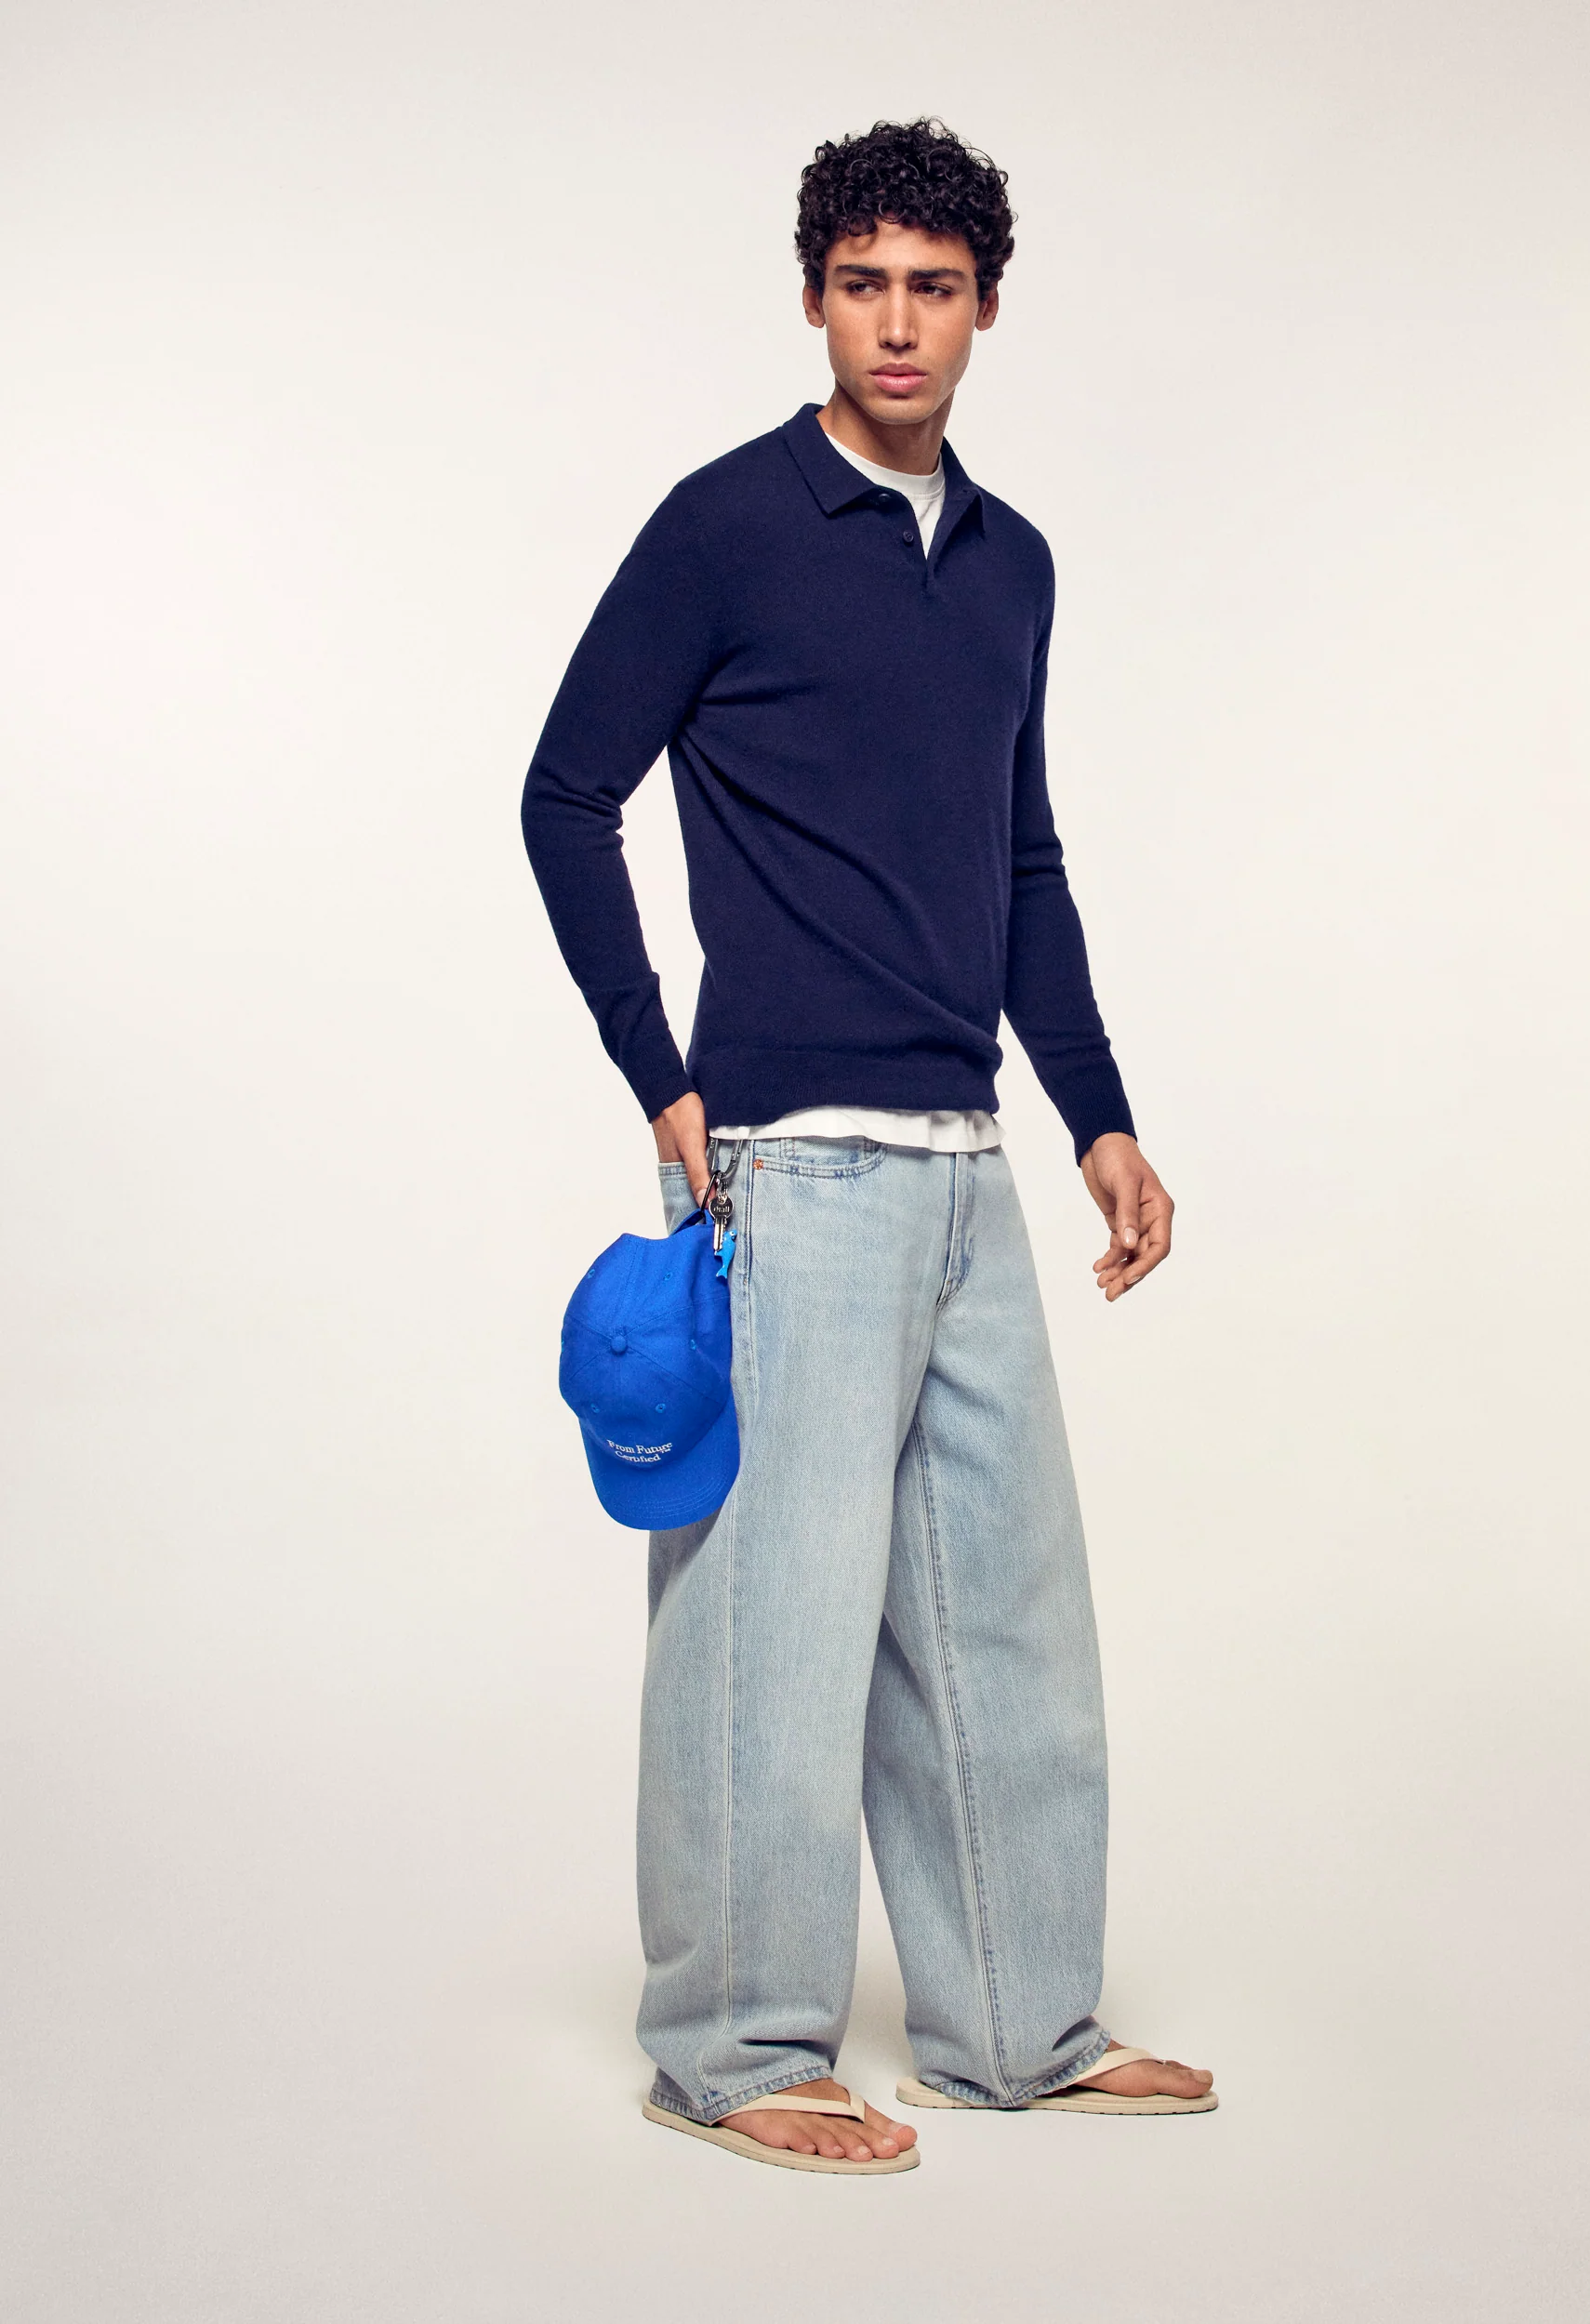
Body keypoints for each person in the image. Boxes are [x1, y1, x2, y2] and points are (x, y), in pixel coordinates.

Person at [522, 117, 1212, 2175]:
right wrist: (658, 1072)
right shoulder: (726, 525)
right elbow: (565, 793)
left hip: (961, 1157)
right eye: (862, 284)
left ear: (985, 308)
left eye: (934, 286)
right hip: (785, 1158)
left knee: (1005, 1620)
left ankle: (1016, 2024)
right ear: (814, 298)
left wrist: (1098, 1115)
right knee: (769, 1623)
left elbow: (1023, 857)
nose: (897, 322)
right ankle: (734, 2047)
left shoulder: (1012, 564)